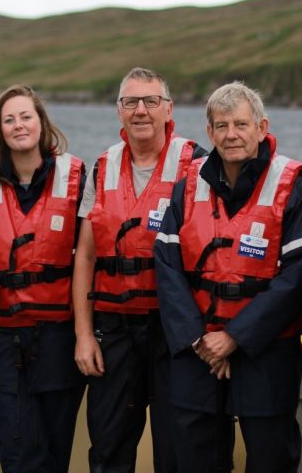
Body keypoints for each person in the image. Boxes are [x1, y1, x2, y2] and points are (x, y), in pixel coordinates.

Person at [154, 81, 302, 473]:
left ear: (262, 128)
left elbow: (297, 277)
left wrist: (235, 338)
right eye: (222, 126)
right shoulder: (187, 187)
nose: (231, 135)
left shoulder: (292, 188)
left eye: (241, 124)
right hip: (198, 349)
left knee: (271, 457)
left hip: (265, 350)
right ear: (209, 133)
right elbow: (167, 265)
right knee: (195, 457)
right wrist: (201, 339)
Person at [72, 67, 205, 472]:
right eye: (131, 102)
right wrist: (83, 336)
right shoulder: (101, 167)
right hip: (114, 329)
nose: (141, 110)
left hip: (175, 331)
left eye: (151, 101)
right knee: (109, 446)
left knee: (177, 449)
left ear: (169, 110)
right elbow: (86, 257)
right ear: (119, 112)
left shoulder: (197, 165)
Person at [0, 85, 86, 472]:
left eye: (26, 116)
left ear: (41, 122)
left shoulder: (79, 181)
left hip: (58, 342)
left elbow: (89, 255)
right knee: (20, 457)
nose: (19, 126)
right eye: (9, 119)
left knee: (54, 454)